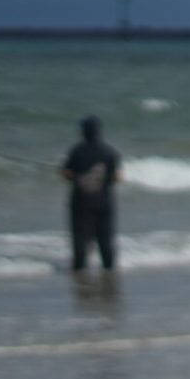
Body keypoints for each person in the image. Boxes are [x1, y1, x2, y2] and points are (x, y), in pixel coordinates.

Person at [60, 115, 122, 273]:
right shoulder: (110, 152)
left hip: (81, 203)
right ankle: (109, 273)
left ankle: (80, 274)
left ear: (84, 132)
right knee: (106, 241)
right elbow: (117, 177)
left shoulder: (77, 151)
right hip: (104, 203)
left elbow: (67, 174)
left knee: (80, 241)